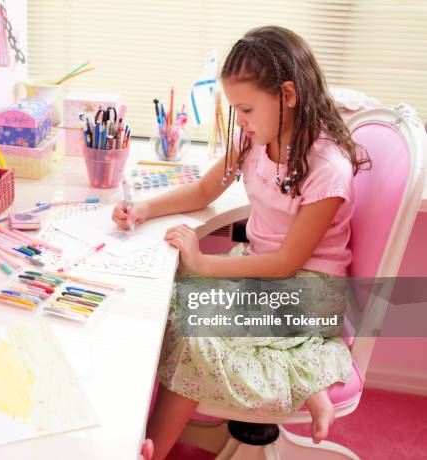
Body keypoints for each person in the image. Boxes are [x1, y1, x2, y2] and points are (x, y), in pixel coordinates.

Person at [112, 25, 370, 459]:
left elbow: (288, 263)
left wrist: (203, 263)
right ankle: (308, 379)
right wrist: (144, 209)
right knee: (166, 307)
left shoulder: (327, 169)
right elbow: (203, 191)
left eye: (247, 109)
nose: (242, 122)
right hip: (261, 272)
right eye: (237, 110)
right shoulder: (255, 139)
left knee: (196, 337)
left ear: (288, 95)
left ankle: (150, 450)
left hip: (306, 289)